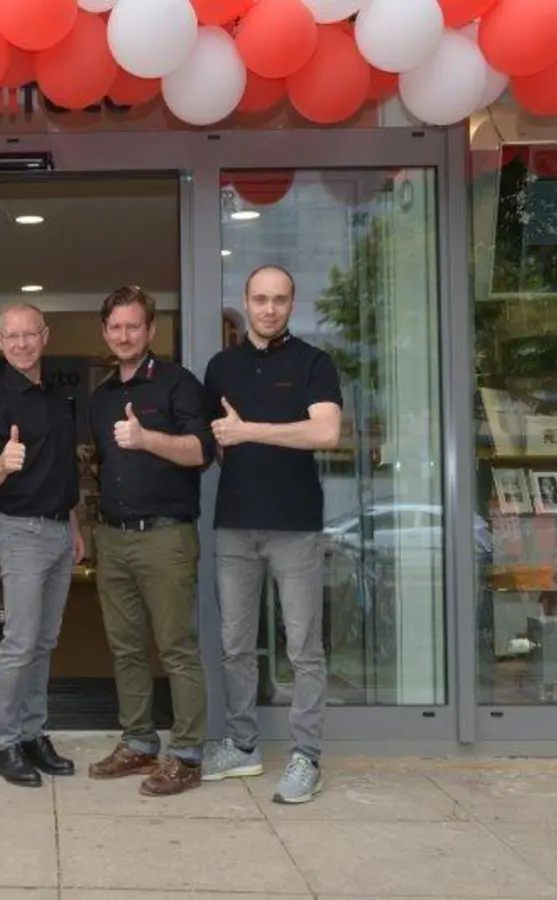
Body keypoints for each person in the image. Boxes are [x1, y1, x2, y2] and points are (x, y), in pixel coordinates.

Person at [203, 264, 343, 805]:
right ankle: (243, 746)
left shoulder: (313, 363)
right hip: (235, 524)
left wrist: (250, 431)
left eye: (279, 299)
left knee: (304, 647)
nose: (268, 308)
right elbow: (209, 441)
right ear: (246, 300)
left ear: (291, 303)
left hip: (295, 527)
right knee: (236, 645)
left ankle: (307, 757)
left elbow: (326, 431)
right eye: (259, 299)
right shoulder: (221, 367)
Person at [85, 286, 214, 797]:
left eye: (133, 326)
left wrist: (147, 439)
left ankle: (185, 755)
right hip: (114, 539)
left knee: (177, 647)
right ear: (105, 331)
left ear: (150, 331)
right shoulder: (101, 398)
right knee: (125, 648)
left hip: (165, 537)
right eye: (115, 327)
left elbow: (201, 451)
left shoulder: (179, 385)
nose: (123, 335)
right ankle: (138, 740)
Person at [0, 302, 83, 788]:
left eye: (29, 334)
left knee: (44, 641)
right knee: (19, 642)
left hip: (59, 531)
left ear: (45, 336)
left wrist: (75, 526)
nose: (21, 343)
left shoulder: (58, 400)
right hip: (20, 531)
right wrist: (3, 464)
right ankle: (5, 744)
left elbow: (65, 470)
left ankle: (35, 734)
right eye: (11, 336)